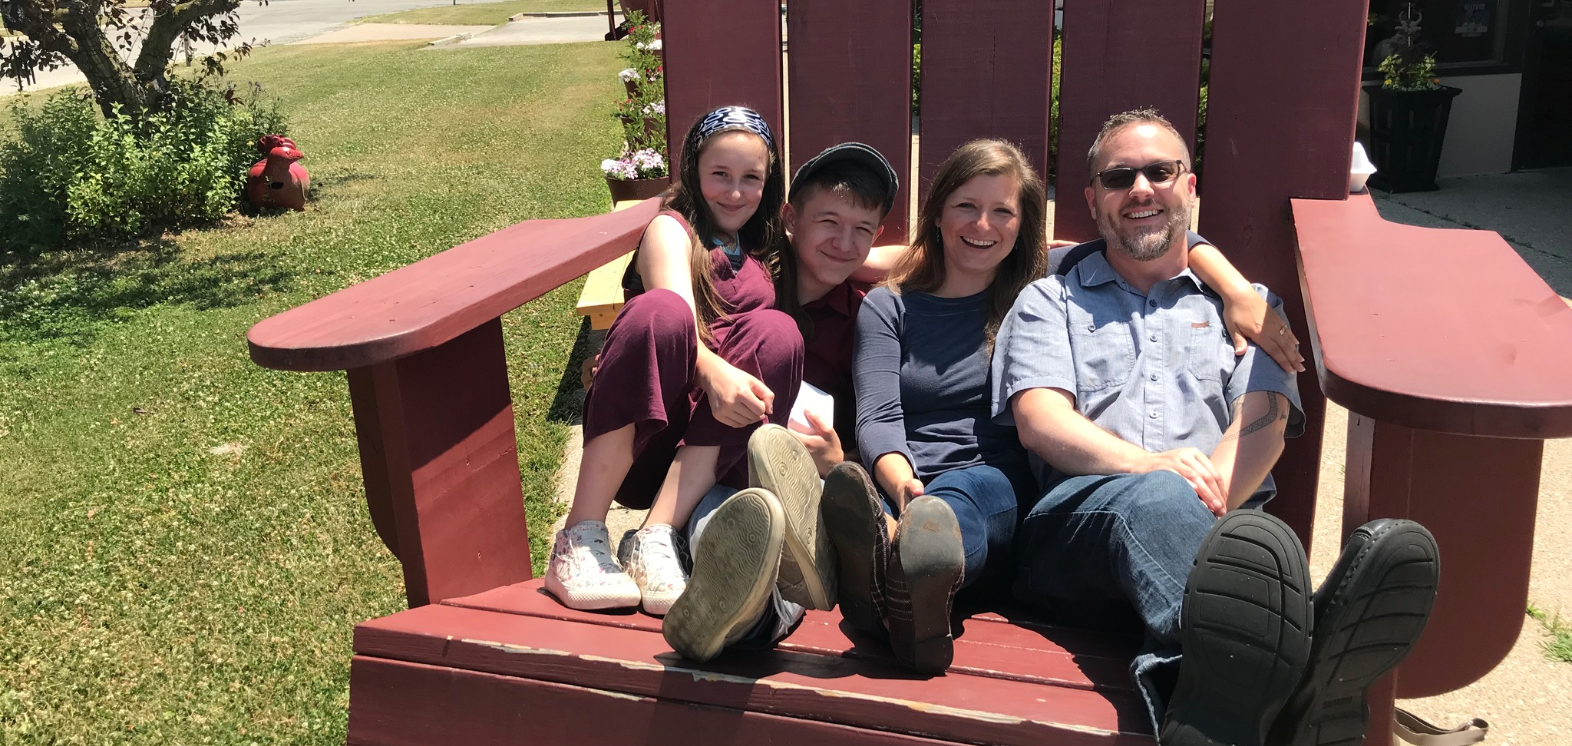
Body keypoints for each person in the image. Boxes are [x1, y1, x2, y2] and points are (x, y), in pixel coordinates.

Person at [989, 108, 1439, 745]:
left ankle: (1229, 699)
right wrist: (1152, 469)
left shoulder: (1250, 309)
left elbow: (1266, 416)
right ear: (1093, 201)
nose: (1140, 189)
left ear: (1190, 187)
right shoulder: (1049, 300)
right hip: (1072, 538)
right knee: (1159, 500)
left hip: (1219, 531)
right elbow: (1040, 421)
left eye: (1159, 172)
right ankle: (1303, 661)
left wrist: (1212, 495)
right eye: (1119, 178)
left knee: (1204, 527)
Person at [827, 138, 1307, 676]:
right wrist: (903, 485)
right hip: (915, 479)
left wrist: (1237, 289)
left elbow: (1155, 234)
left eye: (1002, 211)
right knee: (908, 509)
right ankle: (896, 574)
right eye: (965, 206)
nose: (983, 225)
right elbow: (880, 418)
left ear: (1021, 223)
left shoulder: (1037, 275)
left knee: (968, 497)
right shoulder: (910, 304)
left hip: (993, 478)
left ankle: (897, 578)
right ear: (938, 212)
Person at [544, 106, 809, 616]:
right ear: (693, 171)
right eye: (720, 175)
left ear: (768, 181)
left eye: (750, 178)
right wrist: (716, 375)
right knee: (660, 312)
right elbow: (679, 320)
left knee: (780, 332)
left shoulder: (764, 247)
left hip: (707, 459)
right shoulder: (671, 230)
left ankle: (654, 537)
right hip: (643, 436)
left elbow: (844, 256)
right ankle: (579, 535)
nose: (735, 192)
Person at [661, 142, 901, 661]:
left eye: (862, 230)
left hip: (799, 475)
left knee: (786, 510)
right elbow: (670, 311)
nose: (843, 243)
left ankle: (743, 612)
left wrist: (839, 459)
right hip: (713, 459)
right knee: (736, 508)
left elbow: (869, 429)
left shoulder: (863, 321)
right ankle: (745, 606)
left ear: (877, 237)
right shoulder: (742, 277)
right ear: (790, 217)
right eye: (828, 222)